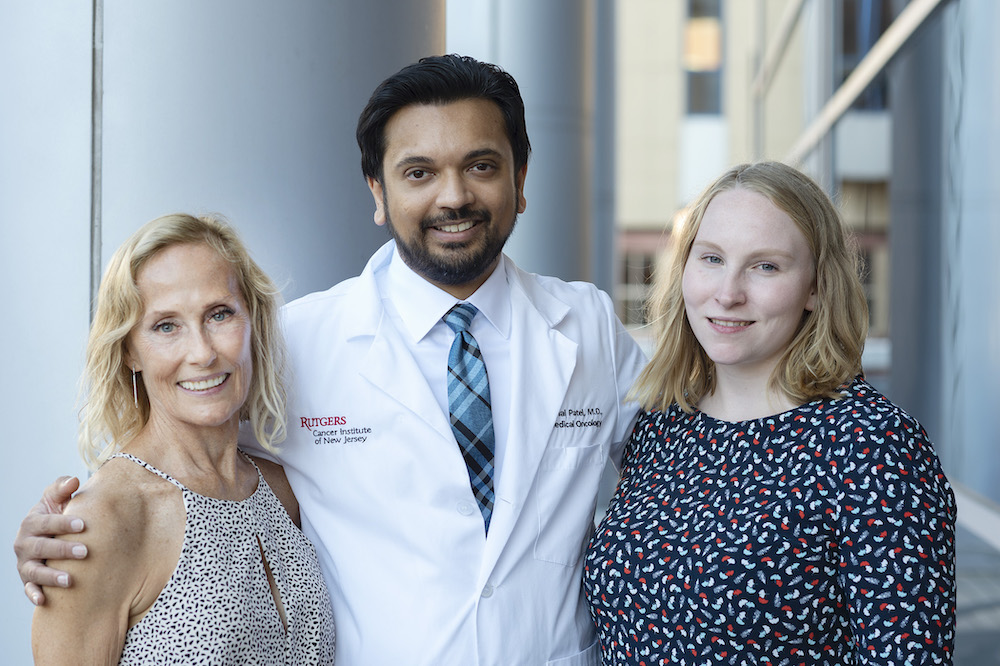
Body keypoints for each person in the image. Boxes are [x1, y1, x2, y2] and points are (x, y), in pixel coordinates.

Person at [17, 55, 647, 665]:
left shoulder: (587, 329)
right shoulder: (296, 344)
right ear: (378, 191)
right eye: (418, 172)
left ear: (521, 177)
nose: (453, 197)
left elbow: (683, 469)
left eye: (481, 165)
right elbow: (175, 446)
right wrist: (73, 531)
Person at [583, 162, 956, 665]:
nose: (729, 292)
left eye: (766, 267)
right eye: (712, 258)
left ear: (817, 287)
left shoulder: (871, 445)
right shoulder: (662, 423)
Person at [30, 214, 335, 664]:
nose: (203, 352)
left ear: (251, 321)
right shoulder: (103, 520)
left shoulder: (281, 487)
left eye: (219, 314)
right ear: (129, 350)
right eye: (166, 326)